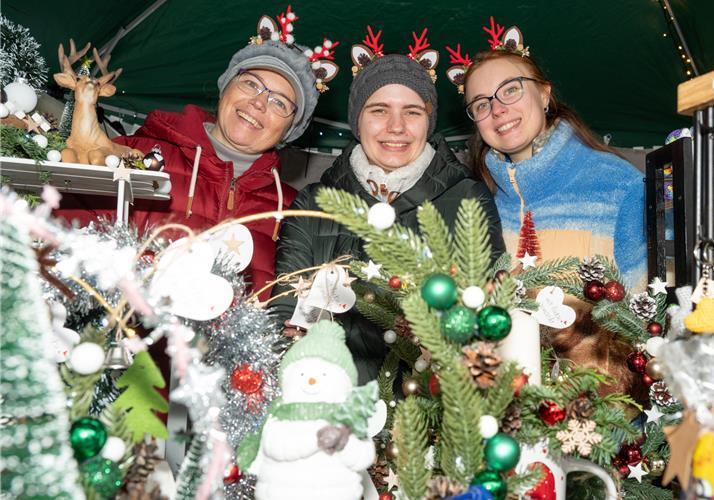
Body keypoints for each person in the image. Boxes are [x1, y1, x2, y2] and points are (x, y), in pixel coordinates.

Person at [56, 13, 333, 299]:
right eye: (251, 84)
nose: (259, 103)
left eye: (280, 103)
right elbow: (66, 232)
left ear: (290, 130)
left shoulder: (296, 212)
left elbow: (295, 303)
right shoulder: (133, 153)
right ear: (226, 87)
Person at [272, 49, 505, 384]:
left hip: (435, 402)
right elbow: (285, 313)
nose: (396, 127)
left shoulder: (468, 198)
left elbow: (484, 316)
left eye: (412, 112)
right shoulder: (314, 203)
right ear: (357, 120)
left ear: (428, 123)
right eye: (379, 110)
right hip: (329, 399)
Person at [458, 39, 648, 401]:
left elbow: (644, 320)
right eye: (481, 104)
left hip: (599, 415)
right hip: (503, 411)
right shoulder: (477, 202)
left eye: (510, 90)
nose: (497, 109)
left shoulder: (616, 184)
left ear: (544, 94)